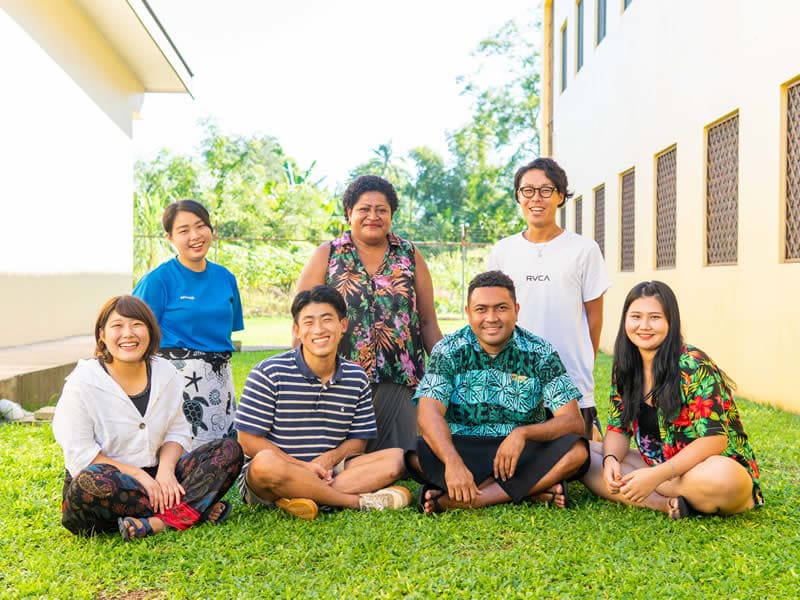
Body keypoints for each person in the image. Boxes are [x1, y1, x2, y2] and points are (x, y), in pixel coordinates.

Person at [52, 295, 243, 540]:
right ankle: (194, 510)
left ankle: (156, 522)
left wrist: (165, 471)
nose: (128, 334)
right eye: (117, 326)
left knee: (228, 450)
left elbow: (178, 431)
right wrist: (140, 476)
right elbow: (82, 455)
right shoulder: (83, 381)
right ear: (102, 335)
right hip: (109, 485)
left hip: (161, 477)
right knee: (91, 481)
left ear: (150, 331)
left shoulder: (167, 373)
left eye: (137, 324)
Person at [406, 271, 589, 515]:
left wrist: (522, 434)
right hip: (464, 447)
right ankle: (532, 489)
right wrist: (452, 463)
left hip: (522, 453)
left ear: (516, 309)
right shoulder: (448, 349)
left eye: (501, 308)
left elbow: (573, 421)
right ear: (468, 312)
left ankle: (470, 499)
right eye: (481, 309)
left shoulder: (540, 351)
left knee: (577, 452)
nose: (491, 318)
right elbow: (428, 413)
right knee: (415, 457)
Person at [582, 281, 763, 518]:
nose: (644, 326)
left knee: (723, 478)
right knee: (583, 452)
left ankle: (650, 488)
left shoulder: (693, 364)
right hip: (659, 465)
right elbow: (618, 428)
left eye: (655, 317)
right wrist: (611, 461)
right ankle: (663, 503)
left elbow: (714, 441)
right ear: (625, 319)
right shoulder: (625, 367)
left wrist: (655, 477)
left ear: (671, 321)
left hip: (705, 468)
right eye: (636, 316)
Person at [235, 285, 412, 520]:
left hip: (331, 471)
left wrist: (327, 460)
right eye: (308, 322)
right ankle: (356, 502)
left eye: (327, 320)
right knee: (265, 463)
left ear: (343, 326)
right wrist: (302, 468)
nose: (318, 329)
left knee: (396, 458)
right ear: (297, 330)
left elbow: (358, 442)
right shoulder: (268, 372)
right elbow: (247, 442)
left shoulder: (356, 377)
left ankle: (297, 498)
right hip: (277, 472)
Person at [295, 175, 442, 452]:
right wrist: (295, 376)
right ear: (349, 212)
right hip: (339, 382)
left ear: (391, 215)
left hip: (400, 380)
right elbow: (302, 319)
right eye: (364, 209)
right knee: (339, 457)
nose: (372, 216)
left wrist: (448, 369)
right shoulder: (327, 255)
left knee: (404, 458)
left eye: (381, 210)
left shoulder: (409, 255)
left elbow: (427, 321)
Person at [487, 158, 610, 440]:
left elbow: (595, 318)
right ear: (518, 196)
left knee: (578, 456)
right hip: (514, 372)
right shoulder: (503, 251)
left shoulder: (583, 249)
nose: (536, 198)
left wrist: (582, 362)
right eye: (527, 190)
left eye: (545, 190)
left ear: (560, 196)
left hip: (570, 372)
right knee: (516, 452)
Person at [133, 199, 244, 449]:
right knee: (178, 452)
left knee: (219, 455)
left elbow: (229, 329)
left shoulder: (226, 278)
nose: (195, 236)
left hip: (220, 380)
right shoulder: (158, 280)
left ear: (210, 230)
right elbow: (133, 330)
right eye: (183, 230)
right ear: (170, 237)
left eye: (200, 226)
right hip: (176, 380)